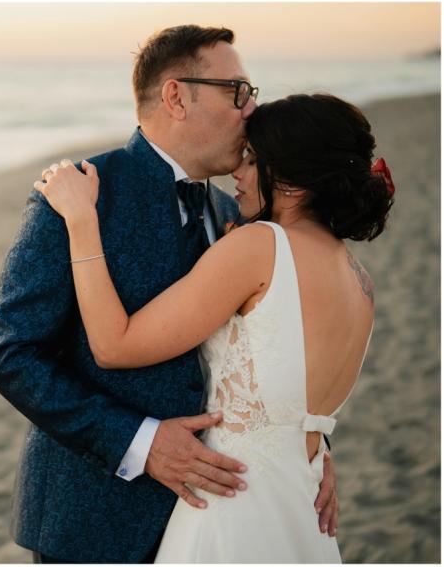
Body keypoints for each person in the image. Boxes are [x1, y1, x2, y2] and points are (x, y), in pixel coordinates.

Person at [0, 25, 339, 563]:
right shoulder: (82, 193)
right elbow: (12, 355)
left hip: (221, 517)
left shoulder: (233, 214)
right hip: (98, 518)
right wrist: (141, 443)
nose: (250, 110)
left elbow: (267, 353)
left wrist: (308, 447)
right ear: (177, 95)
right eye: (236, 91)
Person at [34, 92, 394, 561]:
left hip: (232, 504)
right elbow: (300, 402)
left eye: (251, 160)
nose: (236, 174)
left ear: (293, 181)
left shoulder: (259, 246)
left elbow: (113, 345)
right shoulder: (359, 279)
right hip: (303, 506)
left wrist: (82, 221)